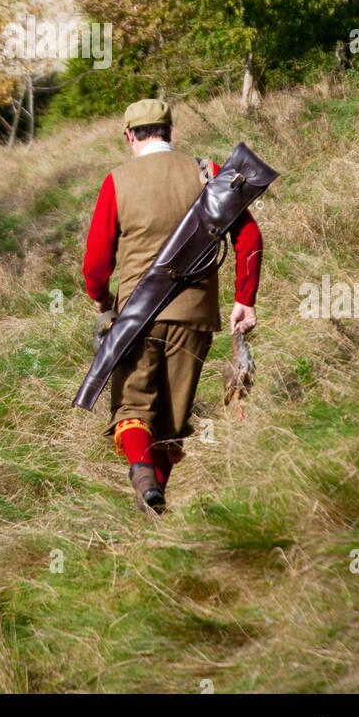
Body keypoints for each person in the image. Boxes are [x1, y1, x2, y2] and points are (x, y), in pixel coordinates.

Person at [82, 98, 263, 513]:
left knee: (133, 406)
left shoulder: (117, 181)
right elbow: (249, 239)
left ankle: (142, 474)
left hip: (136, 316)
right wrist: (243, 301)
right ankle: (153, 504)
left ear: (130, 136)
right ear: (169, 131)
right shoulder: (209, 173)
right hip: (195, 317)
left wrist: (102, 301)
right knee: (171, 421)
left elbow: (95, 264)